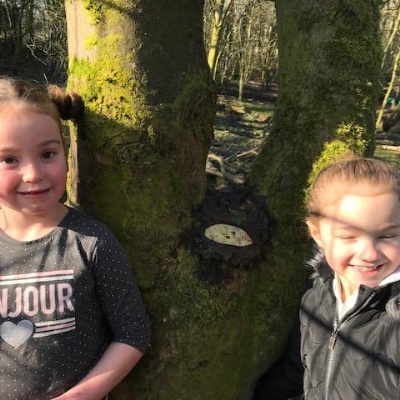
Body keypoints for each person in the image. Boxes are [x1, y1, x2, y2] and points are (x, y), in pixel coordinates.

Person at [0, 76, 151, 400]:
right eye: (9, 159)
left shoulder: (91, 242)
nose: (33, 174)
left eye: (47, 154)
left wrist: (81, 396)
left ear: (65, 152)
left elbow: (134, 332)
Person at [252, 155, 400, 399]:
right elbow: (298, 368)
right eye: (349, 237)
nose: (370, 254)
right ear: (317, 234)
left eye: (387, 236)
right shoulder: (315, 295)